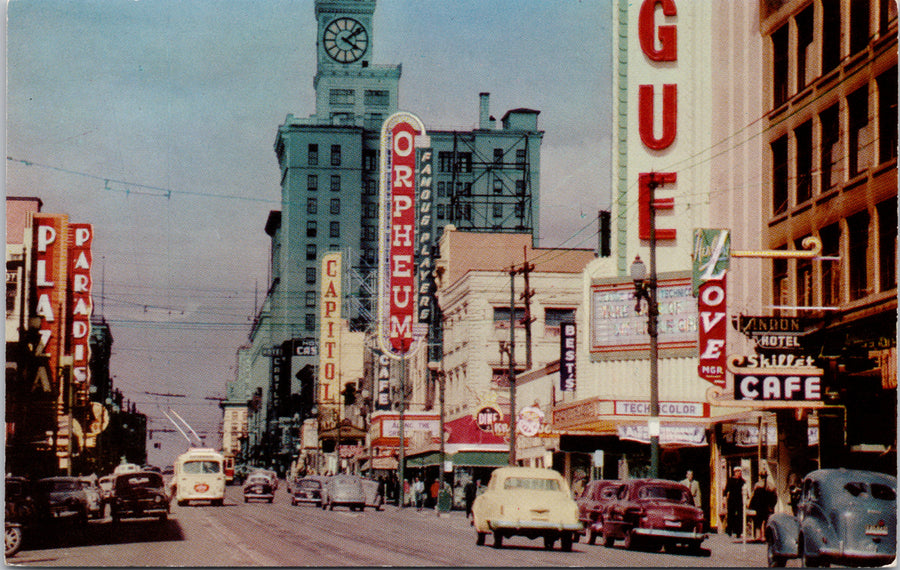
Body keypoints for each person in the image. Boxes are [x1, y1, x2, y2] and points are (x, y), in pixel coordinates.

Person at [748, 468, 777, 541]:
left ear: (760, 476)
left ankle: (758, 536)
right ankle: (765, 536)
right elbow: (775, 497)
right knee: (766, 521)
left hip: (759, 506)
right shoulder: (771, 486)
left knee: (758, 521)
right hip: (767, 507)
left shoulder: (757, 485)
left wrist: (750, 505)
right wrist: (772, 506)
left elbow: (753, 496)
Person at [724, 466, 748, 538]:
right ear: (734, 472)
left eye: (740, 472)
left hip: (739, 501)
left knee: (740, 516)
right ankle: (729, 531)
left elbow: (746, 491)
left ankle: (738, 532)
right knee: (730, 515)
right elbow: (726, 490)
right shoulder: (731, 480)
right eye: (737, 472)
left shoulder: (742, 481)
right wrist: (724, 499)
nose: (738, 473)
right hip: (731, 500)